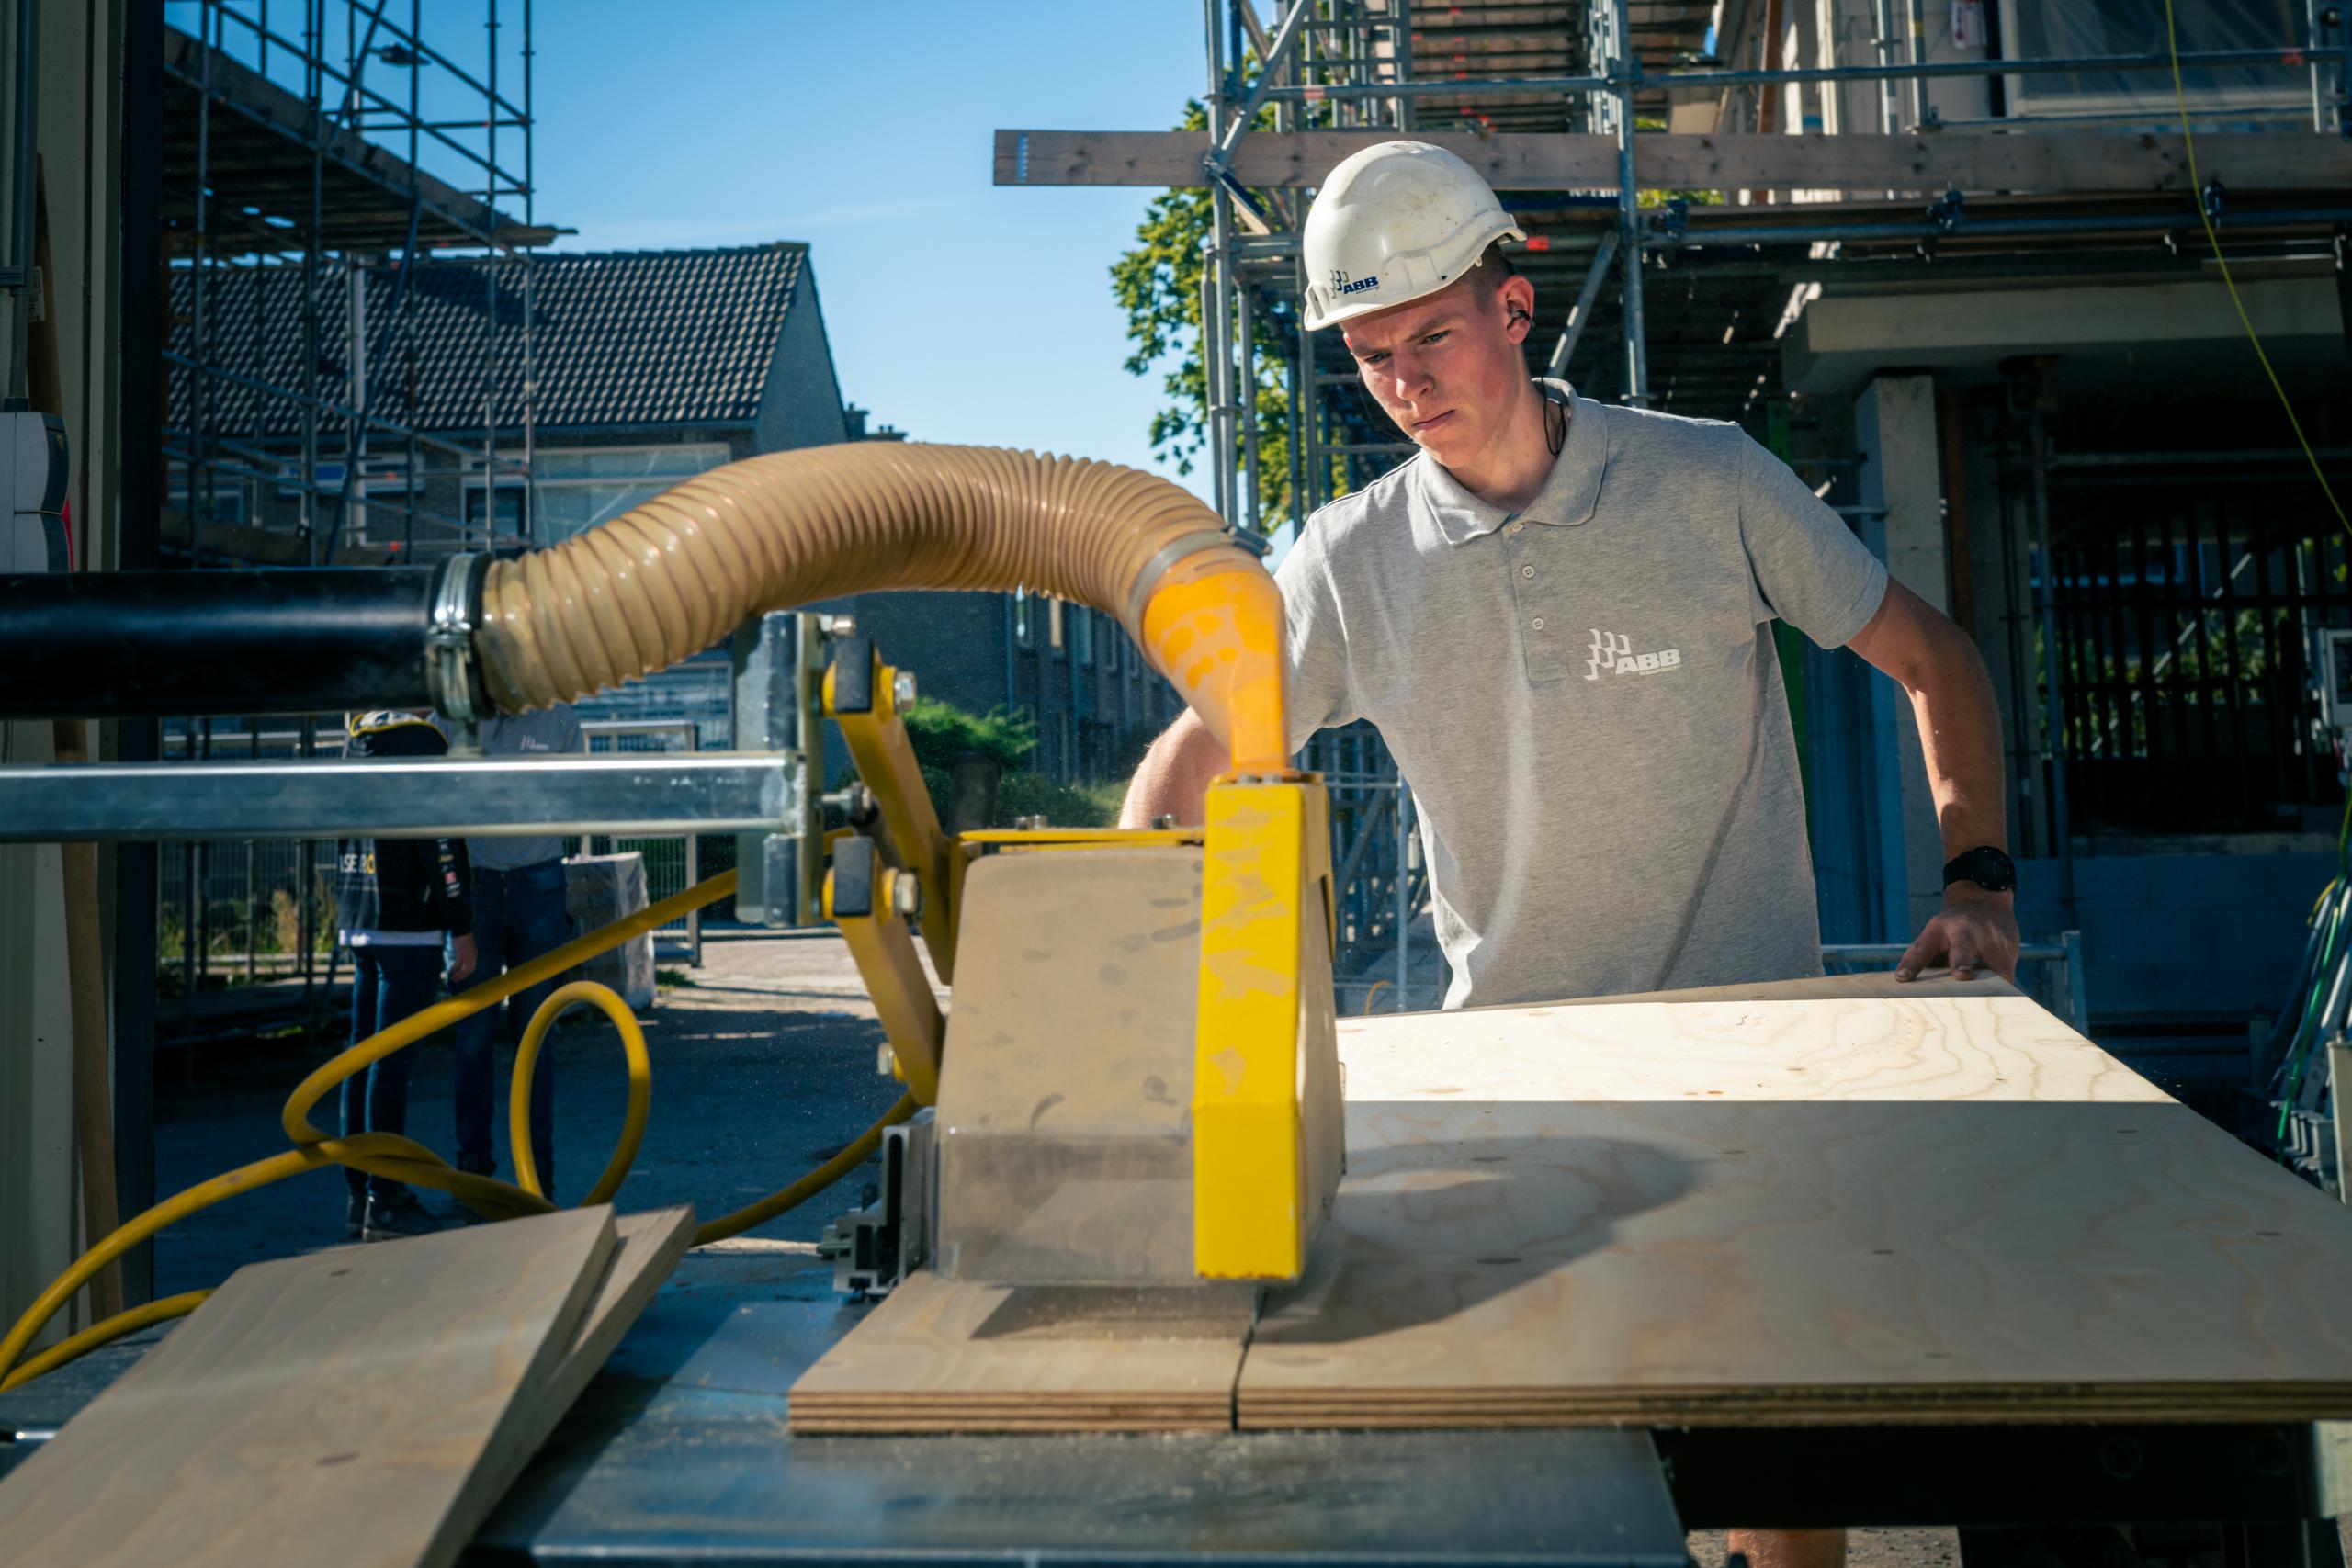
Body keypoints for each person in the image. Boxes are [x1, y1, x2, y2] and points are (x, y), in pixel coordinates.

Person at [1118, 141, 2020, 1568]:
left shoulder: (1709, 482)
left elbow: (1934, 656)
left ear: (1516, 309)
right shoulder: (1346, 563)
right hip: (1515, 1088)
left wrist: (1978, 882)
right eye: (1370, 353)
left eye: (1430, 333)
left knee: (1775, 1482)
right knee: (1552, 1499)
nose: (1407, 379)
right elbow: (1185, 768)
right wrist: (1126, 968)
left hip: (1749, 1065)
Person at [334, 710, 477, 1241]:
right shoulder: (421, 742)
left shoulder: (357, 740)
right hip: (409, 928)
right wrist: (460, 925)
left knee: (361, 1059)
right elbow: (441, 843)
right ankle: (387, 1199)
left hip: (362, 919)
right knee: (389, 1067)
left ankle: (359, 1195)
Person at [447, 703, 583, 1207]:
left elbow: (573, 798)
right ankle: (473, 1180)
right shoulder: (459, 716)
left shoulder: (560, 721)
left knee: (535, 1037)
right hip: (478, 882)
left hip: (537, 877)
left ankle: (536, 1180)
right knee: (474, 1037)